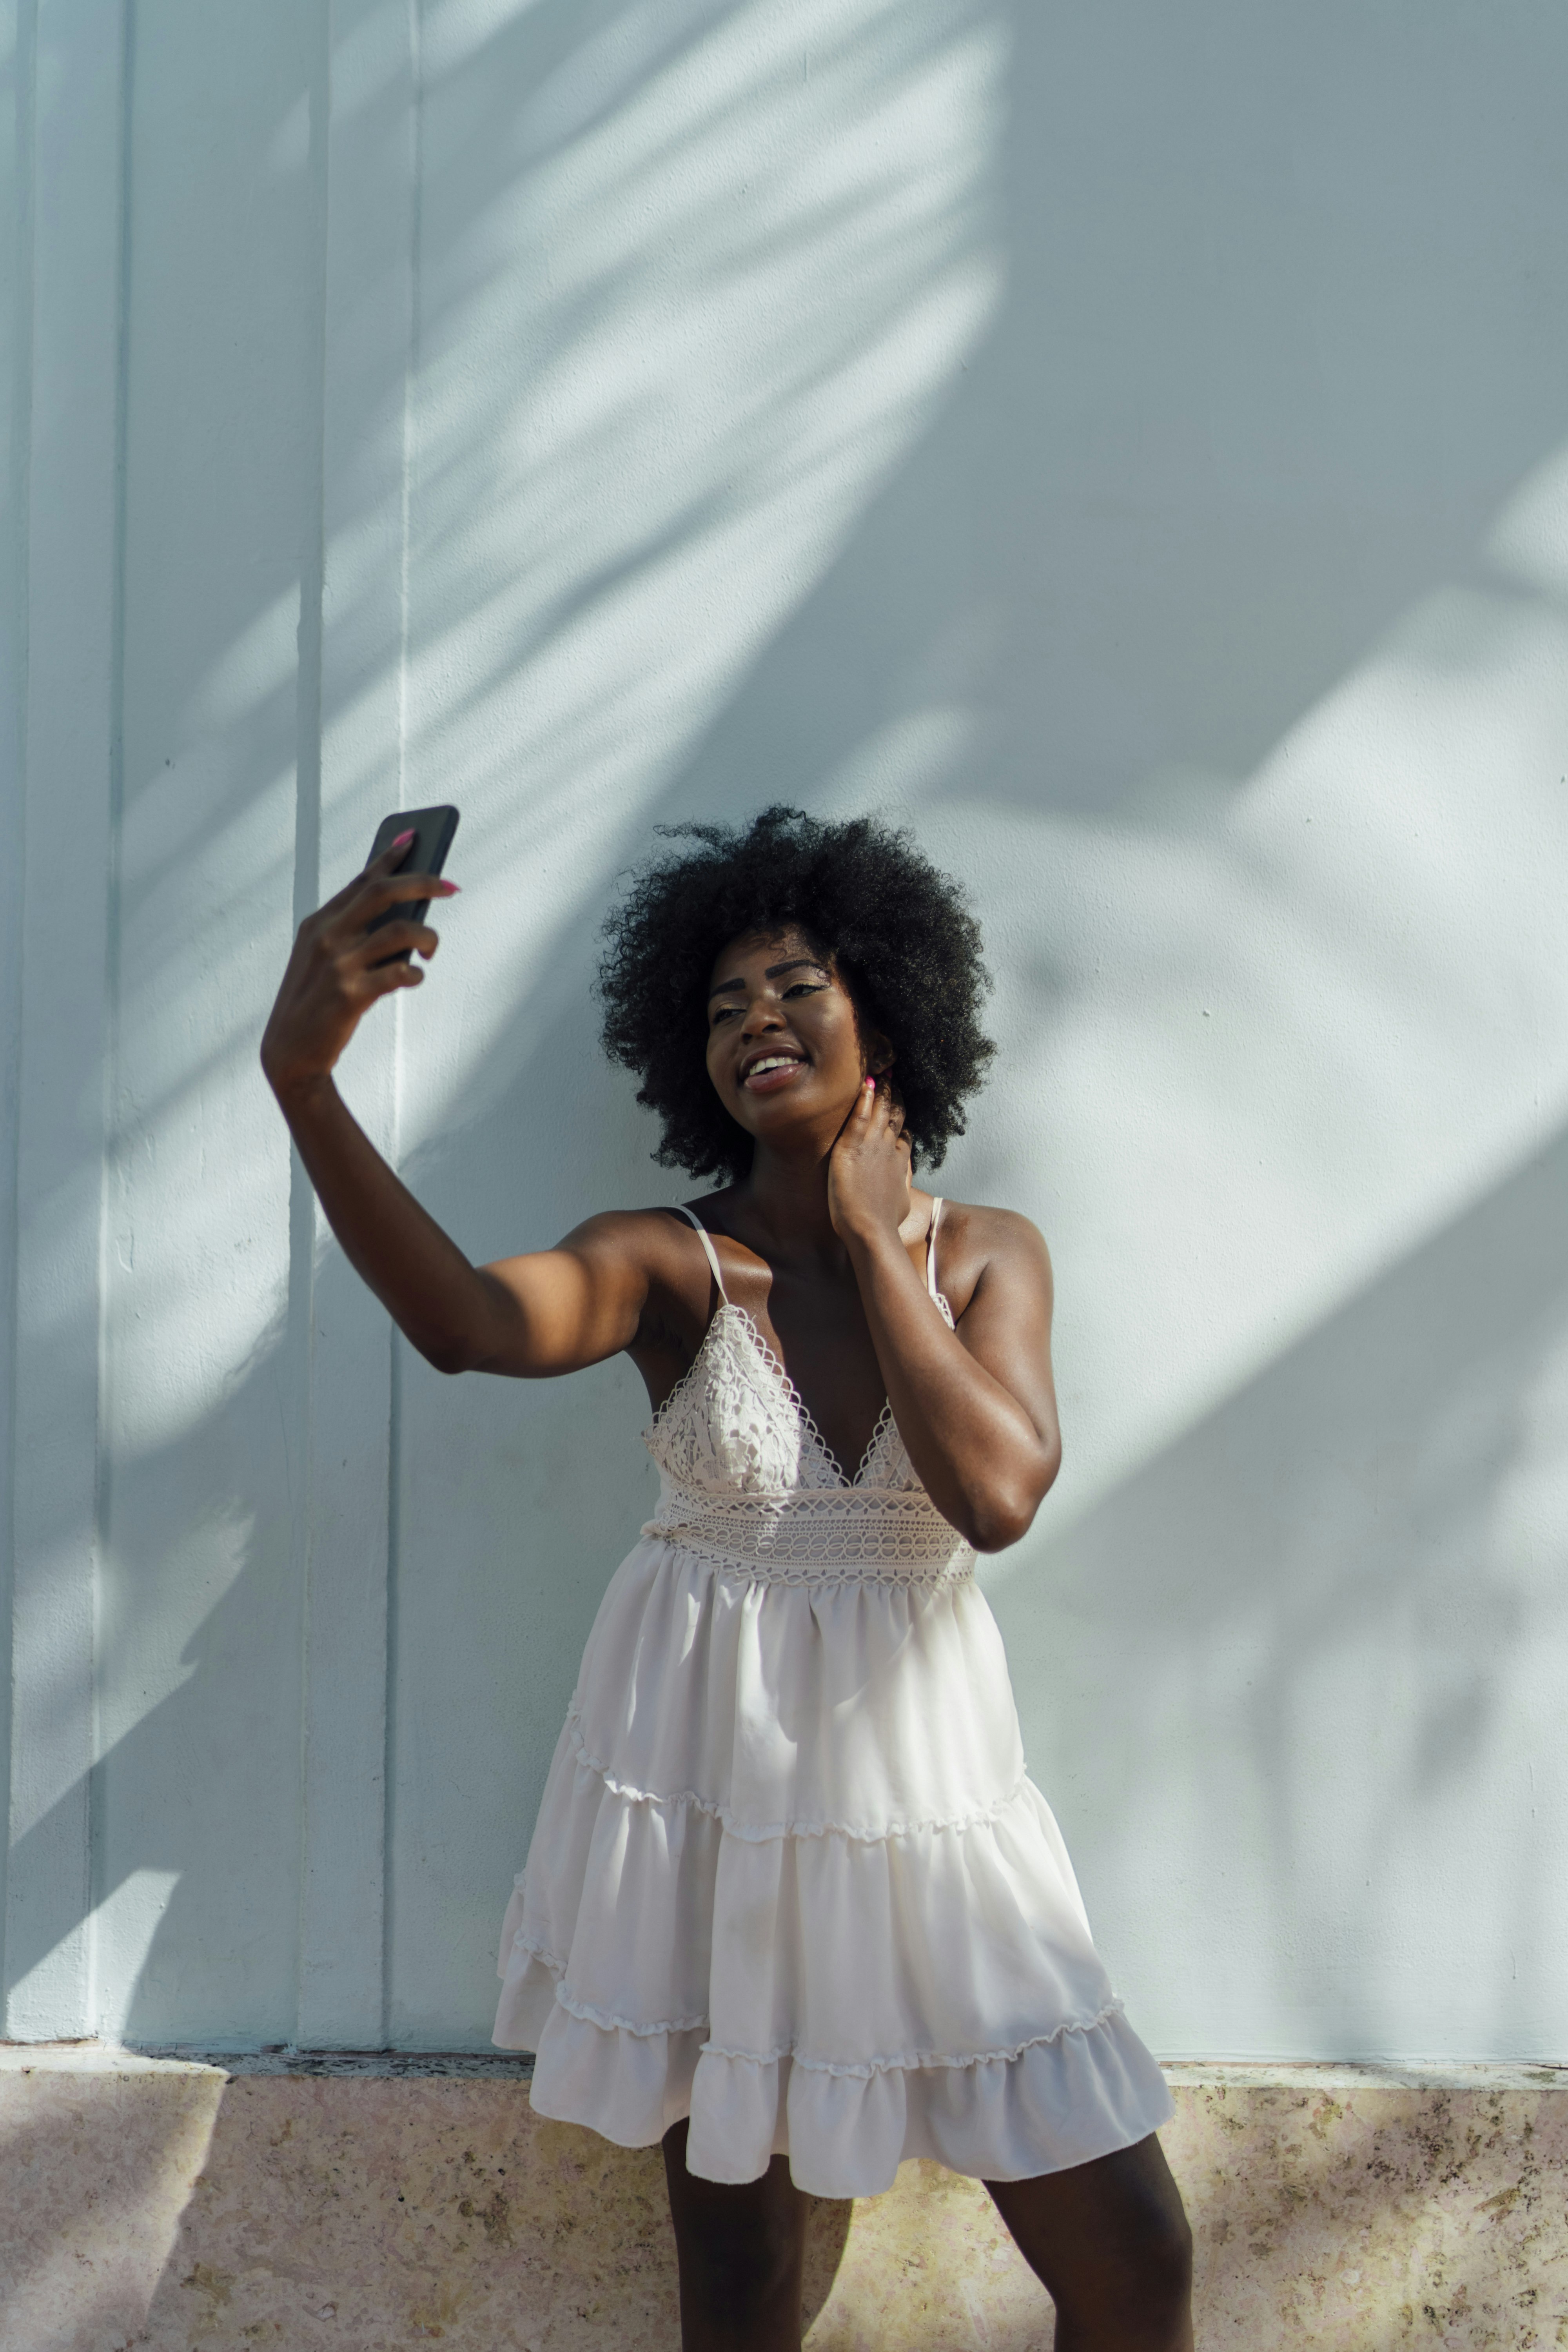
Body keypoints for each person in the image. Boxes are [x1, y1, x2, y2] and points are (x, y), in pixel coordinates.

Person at [261, 805, 1193, 2351]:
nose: (754, 1018)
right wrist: (307, 1082)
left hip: (932, 1818)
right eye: (720, 1004)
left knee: (1133, 2256)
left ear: (886, 1011)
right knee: (746, 2287)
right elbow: (467, 1324)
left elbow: (996, 1495)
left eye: (796, 984)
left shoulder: (984, 1256)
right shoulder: (661, 1263)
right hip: (715, 1804)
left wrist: (882, 1250)